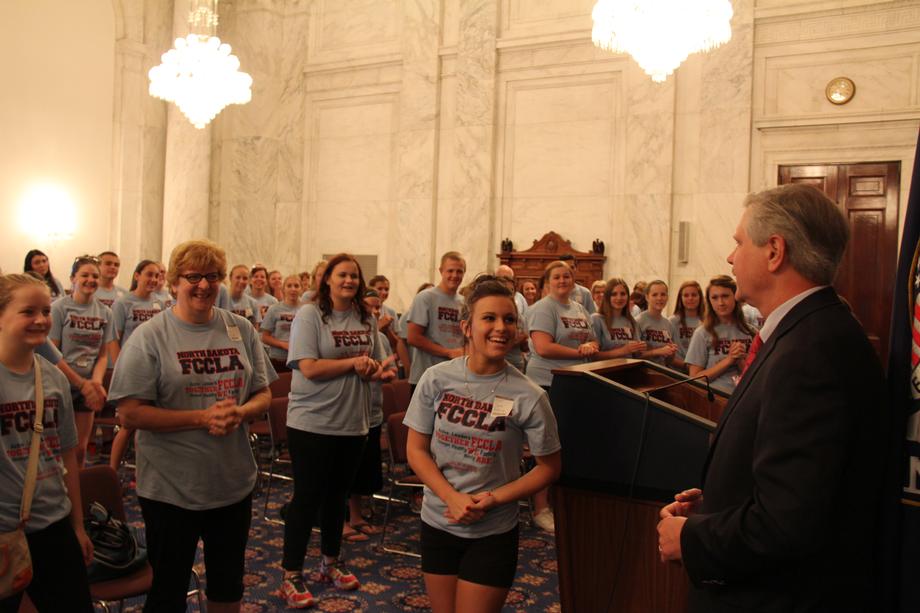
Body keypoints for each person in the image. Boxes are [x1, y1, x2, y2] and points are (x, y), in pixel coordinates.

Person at [657, 184, 886, 612]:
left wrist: (692, 537)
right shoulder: (807, 331)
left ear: (775, 251)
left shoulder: (812, 351)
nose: (730, 257)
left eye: (739, 243)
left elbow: (790, 523)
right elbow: (804, 482)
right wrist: (717, 503)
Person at [108, 239, 271, 613]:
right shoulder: (150, 337)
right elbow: (129, 414)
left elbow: (263, 393)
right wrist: (200, 418)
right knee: (168, 590)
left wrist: (242, 413)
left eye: (212, 276)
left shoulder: (240, 329)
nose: (203, 285)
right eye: (193, 276)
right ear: (175, 282)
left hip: (232, 483)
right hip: (171, 488)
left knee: (228, 585)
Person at [404, 275, 562, 613]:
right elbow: (415, 450)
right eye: (488, 318)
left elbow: (550, 467)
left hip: (492, 530)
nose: (500, 328)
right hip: (438, 520)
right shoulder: (436, 379)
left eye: (508, 319)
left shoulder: (530, 396)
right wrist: (451, 497)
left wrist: (493, 499)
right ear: (466, 327)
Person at [279, 253, 394, 609]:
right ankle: (291, 575)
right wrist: (354, 363)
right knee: (307, 498)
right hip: (312, 422)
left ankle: (330, 562)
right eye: (342, 275)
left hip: (354, 422)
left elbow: (368, 367)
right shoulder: (310, 315)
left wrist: (379, 372)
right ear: (327, 279)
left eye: (354, 277)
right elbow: (309, 368)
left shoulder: (365, 318)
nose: (349, 281)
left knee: (337, 498)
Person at [0, 274, 94, 613]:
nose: (40, 320)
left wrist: (78, 525)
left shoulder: (53, 377)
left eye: (44, 311)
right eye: (28, 312)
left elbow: (66, 453)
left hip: (53, 523)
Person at [49, 256, 119, 467]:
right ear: (72, 279)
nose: (90, 280)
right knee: (58, 447)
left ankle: (76, 494)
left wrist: (95, 384)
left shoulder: (105, 312)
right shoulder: (59, 308)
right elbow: (51, 353)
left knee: (80, 448)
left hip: (87, 385)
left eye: (95, 276)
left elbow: (102, 355)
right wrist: (82, 383)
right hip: (60, 382)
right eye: (84, 275)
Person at [342, 288, 396, 542]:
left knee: (363, 469)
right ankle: (340, 519)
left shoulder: (380, 337)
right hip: (348, 411)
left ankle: (356, 516)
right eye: (370, 306)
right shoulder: (349, 334)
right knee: (345, 470)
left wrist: (385, 373)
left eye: (378, 307)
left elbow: (387, 367)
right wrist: (374, 371)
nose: (375, 312)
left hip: (372, 411)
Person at [108, 260, 166, 470]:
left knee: (151, 424)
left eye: (157, 276)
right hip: (132, 369)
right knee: (128, 425)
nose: (153, 280)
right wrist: (119, 368)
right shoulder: (123, 304)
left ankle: (146, 469)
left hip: (156, 369)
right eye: (149, 274)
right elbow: (114, 339)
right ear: (137, 276)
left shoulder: (160, 303)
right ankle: (112, 472)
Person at [406, 252, 466, 394]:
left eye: (459, 271)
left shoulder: (464, 302)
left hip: (454, 376)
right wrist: (449, 352)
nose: (454, 275)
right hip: (426, 376)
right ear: (441, 271)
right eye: (450, 270)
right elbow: (413, 337)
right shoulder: (425, 297)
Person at [684, 275, 756, 393]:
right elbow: (695, 379)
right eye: (715, 298)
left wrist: (741, 360)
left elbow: (757, 376)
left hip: (745, 397)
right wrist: (729, 360)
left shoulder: (750, 332)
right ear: (709, 301)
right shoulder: (702, 333)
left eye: (725, 296)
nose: (721, 302)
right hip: (716, 399)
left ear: (736, 296)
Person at [590, 277, 647, 359]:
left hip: (630, 369)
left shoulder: (632, 322)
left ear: (628, 297)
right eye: (614, 294)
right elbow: (593, 356)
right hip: (605, 370)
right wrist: (623, 351)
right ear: (607, 297)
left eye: (623, 294)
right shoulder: (596, 319)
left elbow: (636, 355)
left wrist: (640, 348)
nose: (619, 298)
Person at [261, 274, 302, 372]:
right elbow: (265, 337)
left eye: (296, 286)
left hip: (299, 358)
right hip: (278, 358)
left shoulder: (306, 309)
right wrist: (282, 344)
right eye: (289, 286)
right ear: (283, 289)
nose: (293, 289)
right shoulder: (274, 309)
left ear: (301, 289)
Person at [636, 280, 680, 367]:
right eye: (654, 295)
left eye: (663, 294)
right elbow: (634, 356)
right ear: (647, 297)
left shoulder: (669, 324)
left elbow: (669, 362)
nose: (659, 298)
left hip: (661, 373)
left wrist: (671, 352)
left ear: (667, 297)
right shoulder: (638, 321)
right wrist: (658, 351)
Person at [669, 280, 705, 364]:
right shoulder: (672, 322)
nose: (690, 298)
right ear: (680, 298)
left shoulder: (707, 321)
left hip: (700, 371)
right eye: (686, 295)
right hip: (676, 372)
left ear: (700, 297)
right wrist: (685, 366)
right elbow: (667, 353)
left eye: (694, 295)